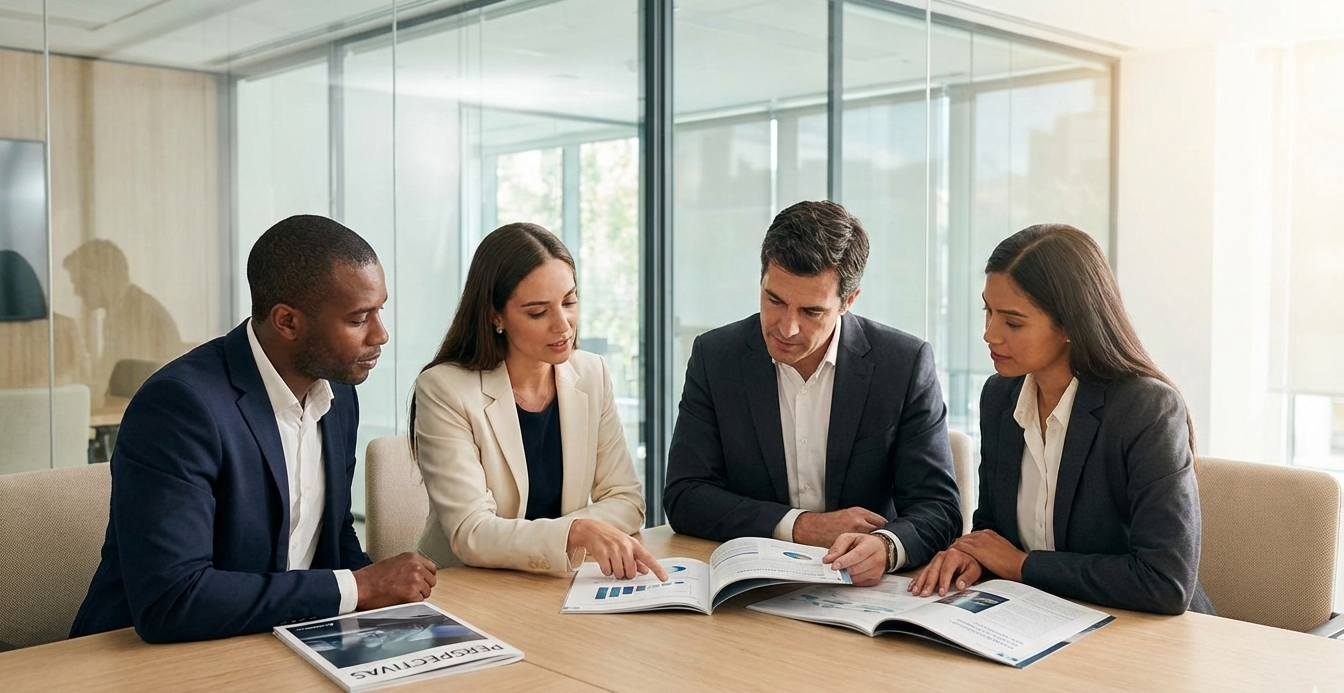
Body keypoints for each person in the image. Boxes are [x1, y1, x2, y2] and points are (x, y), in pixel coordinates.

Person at [70, 215, 439, 643]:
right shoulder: (180, 407)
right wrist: (361, 587)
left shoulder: (337, 393)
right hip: (143, 658)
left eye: (380, 311)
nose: (381, 334)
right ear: (287, 321)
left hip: (274, 638)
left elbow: (330, 535)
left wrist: (378, 601)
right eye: (359, 319)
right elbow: (173, 601)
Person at [910, 223, 1214, 615]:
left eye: (1013, 322)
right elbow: (994, 532)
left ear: (1071, 324)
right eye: (988, 311)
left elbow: (1165, 582)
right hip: (1035, 620)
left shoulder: (1146, 409)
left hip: (1145, 636)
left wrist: (1021, 565)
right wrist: (977, 556)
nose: (989, 334)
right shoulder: (1000, 396)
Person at [663, 200, 962, 587]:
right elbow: (686, 496)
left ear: (848, 301)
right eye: (774, 301)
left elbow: (939, 509)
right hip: (752, 588)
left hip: (861, 592)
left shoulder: (902, 365)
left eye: (811, 311)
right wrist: (801, 526)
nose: (786, 328)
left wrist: (887, 547)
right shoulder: (715, 357)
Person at [412, 222, 664, 581]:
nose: (563, 325)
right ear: (495, 315)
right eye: (537, 312)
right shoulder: (445, 388)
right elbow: (472, 532)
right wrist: (574, 532)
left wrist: (570, 535)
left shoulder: (592, 373)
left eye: (570, 301)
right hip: (464, 585)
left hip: (555, 580)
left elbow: (627, 500)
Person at [63, 240, 183, 397]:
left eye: (80, 281)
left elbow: (125, 387)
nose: (76, 291)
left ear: (102, 275)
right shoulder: (122, 308)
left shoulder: (138, 314)